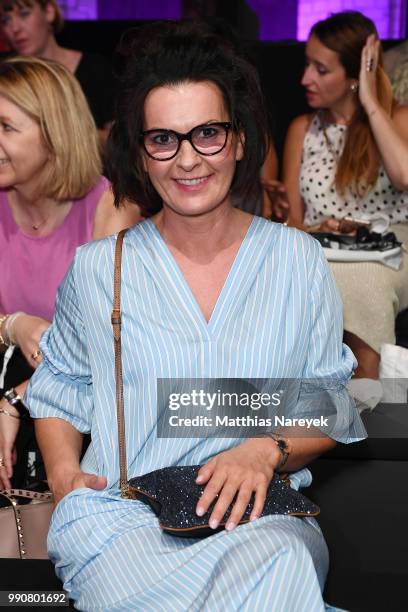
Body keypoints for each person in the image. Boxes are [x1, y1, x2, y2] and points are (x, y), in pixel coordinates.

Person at [23, 21, 365, 611]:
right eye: (164, 139)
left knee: (280, 568)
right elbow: (59, 392)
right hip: (124, 520)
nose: (188, 160)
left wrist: (266, 449)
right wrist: (63, 478)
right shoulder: (101, 268)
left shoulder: (296, 261)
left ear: (237, 139)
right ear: (141, 152)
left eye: (207, 133)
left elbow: (328, 402)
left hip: (258, 521)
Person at [0, 56, 140, 490]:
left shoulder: (111, 209)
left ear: (54, 133)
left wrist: (14, 400)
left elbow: (108, 349)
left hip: (82, 405)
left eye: (6, 127)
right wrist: (13, 324)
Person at [281, 11, 408, 380]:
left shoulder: (397, 119)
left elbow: (404, 176)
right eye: (307, 65)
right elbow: (293, 221)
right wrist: (319, 228)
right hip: (323, 245)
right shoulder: (302, 128)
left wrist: (370, 101)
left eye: (321, 70)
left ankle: (370, 398)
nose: (305, 78)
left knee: (361, 277)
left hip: (392, 247)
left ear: (355, 76)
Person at [0, 0, 116, 145]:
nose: (14, 28)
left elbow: (117, 144)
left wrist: (65, 130)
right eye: (6, 20)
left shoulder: (96, 69)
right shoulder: (5, 70)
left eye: (24, 14)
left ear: (49, 12)